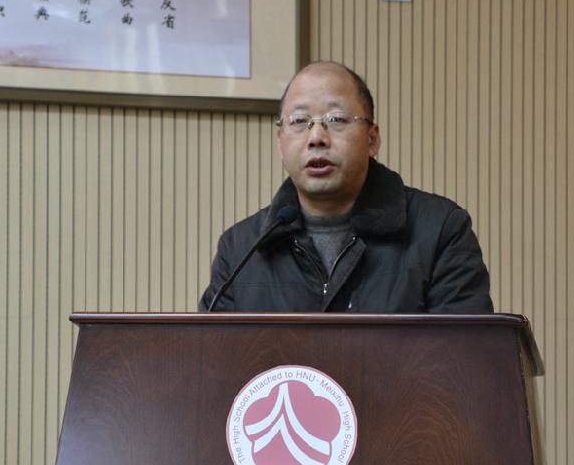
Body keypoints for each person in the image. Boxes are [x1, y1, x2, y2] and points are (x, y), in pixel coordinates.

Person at [199, 61, 493, 313]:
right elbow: (212, 356)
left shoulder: (440, 230)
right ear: (280, 144)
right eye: (300, 121)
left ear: (372, 139)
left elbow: (463, 356)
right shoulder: (240, 248)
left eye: (336, 119)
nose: (317, 137)